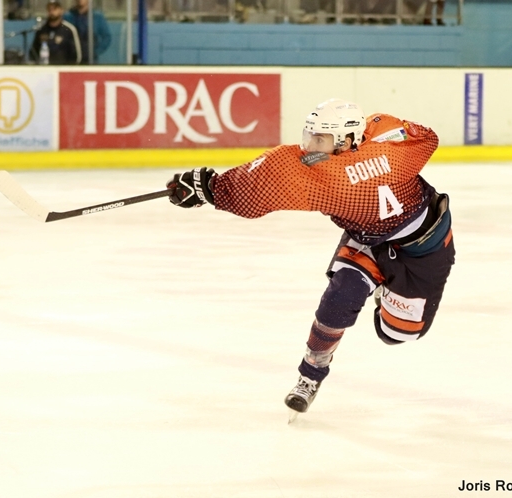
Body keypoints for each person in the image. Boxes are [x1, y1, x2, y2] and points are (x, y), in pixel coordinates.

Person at [165, 99, 455, 417]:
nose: (311, 146)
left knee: (396, 334)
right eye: (311, 136)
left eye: (320, 140)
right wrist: (384, 128)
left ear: (346, 141)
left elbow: (261, 186)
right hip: (367, 244)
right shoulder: (380, 136)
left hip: (421, 252)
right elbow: (427, 138)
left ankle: (385, 288)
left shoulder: (319, 174)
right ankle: (309, 376)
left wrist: (210, 189)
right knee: (339, 299)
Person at [30, 0, 81, 64]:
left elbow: (75, 55)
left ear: (61, 10)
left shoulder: (68, 30)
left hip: (63, 69)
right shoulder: (41, 30)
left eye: (54, 9)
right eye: (49, 9)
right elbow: (34, 52)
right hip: (44, 68)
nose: (52, 12)